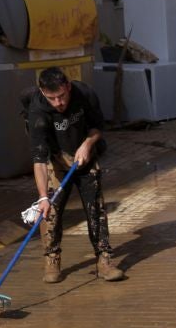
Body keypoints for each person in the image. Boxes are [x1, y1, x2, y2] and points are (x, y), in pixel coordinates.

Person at [25, 67, 123, 284]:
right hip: (57, 162)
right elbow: (39, 160)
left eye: (61, 96)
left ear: (68, 86)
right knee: (50, 212)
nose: (59, 103)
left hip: (85, 158)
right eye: (52, 98)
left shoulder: (84, 94)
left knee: (95, 210)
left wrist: (88, 144)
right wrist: (42, 197)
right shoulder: (38, 113)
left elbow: (98, 128)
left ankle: (104, 260)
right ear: (42, 92)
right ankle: (52, 260)